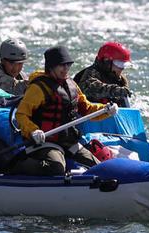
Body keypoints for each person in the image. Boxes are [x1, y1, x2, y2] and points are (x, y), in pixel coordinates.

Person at [14, 44, 117, 175]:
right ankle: (16, 166)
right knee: (56, 168)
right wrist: (33, 131)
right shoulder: (38, 88)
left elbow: (87, 108)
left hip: (68, 142)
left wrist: (106, 110)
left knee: (98, 167)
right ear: (51, 67)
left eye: (68, 65)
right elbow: (21, 114)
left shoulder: (72, 85)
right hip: (45, 141)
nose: (66, 68)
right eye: (62, 65)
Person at [74, 41, 133, 106]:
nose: (122, 68)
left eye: (124, 65)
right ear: (106, 61)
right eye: (119, 64)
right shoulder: (90, 73)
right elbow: (91, 89)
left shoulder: (120, 80)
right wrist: (114, 90)